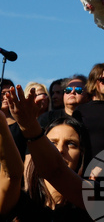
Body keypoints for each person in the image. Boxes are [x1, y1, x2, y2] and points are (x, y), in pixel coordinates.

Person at [2, 84, 93, 220]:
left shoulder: (95, 193)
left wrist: (29, 126)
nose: (61, 150)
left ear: (82, 153)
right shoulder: (20, 203)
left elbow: (56, 171)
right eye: (52, 143)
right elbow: (11, 175)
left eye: (71, 144)